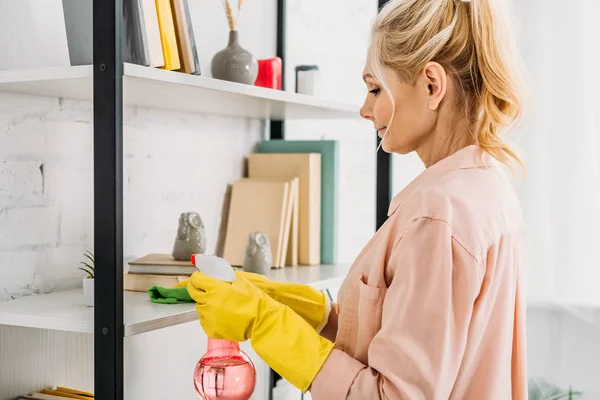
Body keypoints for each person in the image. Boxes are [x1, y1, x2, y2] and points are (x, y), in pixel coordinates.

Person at [187, 0, 529, 398]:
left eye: (375, 88)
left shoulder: (436, 217)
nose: (365, 109)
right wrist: (306, 310)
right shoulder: (487, 187)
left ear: (432, 85)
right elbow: (406, 340)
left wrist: (267, 324)